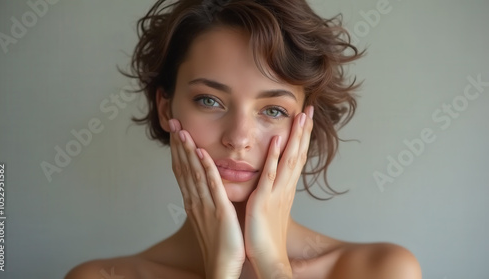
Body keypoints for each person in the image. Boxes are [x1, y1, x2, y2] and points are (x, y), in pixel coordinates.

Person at [66, 0, 422, 278]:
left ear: (305, 122)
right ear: (165, 107)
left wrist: (273, 268)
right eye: (210, 101)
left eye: (273, 110)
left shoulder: (381, 270)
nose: (238, 138)